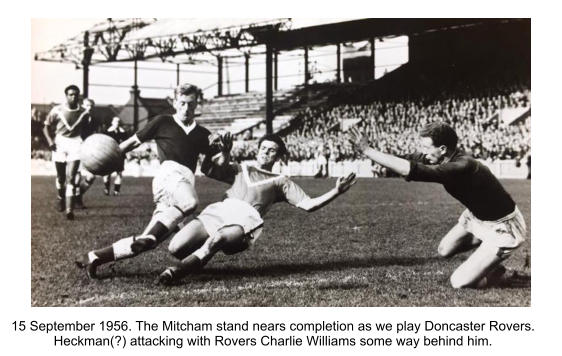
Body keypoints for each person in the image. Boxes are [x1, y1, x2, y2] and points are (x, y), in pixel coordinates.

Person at [156, 134, 357, 285]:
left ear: (278, 156)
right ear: (257, 149)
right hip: (220, 211)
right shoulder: (240, 169)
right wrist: (224, 152)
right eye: (263, 148)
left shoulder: (281, 181)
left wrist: (336, 191)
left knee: (217, 240)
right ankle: (193, 258)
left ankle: (175, 273)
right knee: (176, 248)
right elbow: (209, 169)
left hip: (246, 220)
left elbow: (309, 205)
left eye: (272, 150)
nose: (266, 152)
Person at [348, 122, 527, 289]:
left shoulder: (462, 165)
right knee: (444, 249)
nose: (423, 152)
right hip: (478, 217)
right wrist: (368, 151)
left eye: (426, 147)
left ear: (442, 149)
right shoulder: (440, 157)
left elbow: (412, 170)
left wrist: (367, 150)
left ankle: (502, 274)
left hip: (503, 226)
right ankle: (490, 260)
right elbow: (405, 159)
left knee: (459, 282)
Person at [76, 83, 228, 278]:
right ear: (174, 102)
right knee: (191, 203)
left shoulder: (204, 134)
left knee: (146, 243)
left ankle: (94, 256)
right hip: (169, 176)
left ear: (197, 103)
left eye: (191, 104)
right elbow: (130, 143)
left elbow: (215, 167)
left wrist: (225, 151)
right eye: (182, 103)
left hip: (182, 186)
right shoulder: (162, 121)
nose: (186, 108)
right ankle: (151, 235)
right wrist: (109, 158)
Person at [42, 85, 90, 220]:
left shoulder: (84, 112)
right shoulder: (57, 110)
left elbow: (87, 129)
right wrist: (50, 142)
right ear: (66, 96)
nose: (73, 97)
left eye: (76, 94)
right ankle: (60, 197)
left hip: (76, 143)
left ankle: (70, 210)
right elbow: (45, 128)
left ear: (79, 96)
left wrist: (85, 142)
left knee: (71, 177)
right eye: (70, 94)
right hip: (60, 143)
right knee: (61, 177)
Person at [74, 98, 101, 209]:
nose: (88, 108)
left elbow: (96, 134)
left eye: (90, 106)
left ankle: (77, 195)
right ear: (82, 105)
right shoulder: (77, 117)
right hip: (76, 148)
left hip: (89, 149)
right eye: (86, 105)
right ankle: (74, 200)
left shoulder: (94, 120)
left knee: (91, 176)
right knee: (76, 176)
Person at [102, 116, 130, 196]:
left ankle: (116, 191)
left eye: (118, 121)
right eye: (115, 121)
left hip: (119, 155)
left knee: (119, 173)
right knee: (107, 173)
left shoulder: (122, 132)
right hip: (109, 154)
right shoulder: (107, 131)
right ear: (112, 122)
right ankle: (106, 189)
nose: (117, 123)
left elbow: (126, 143)